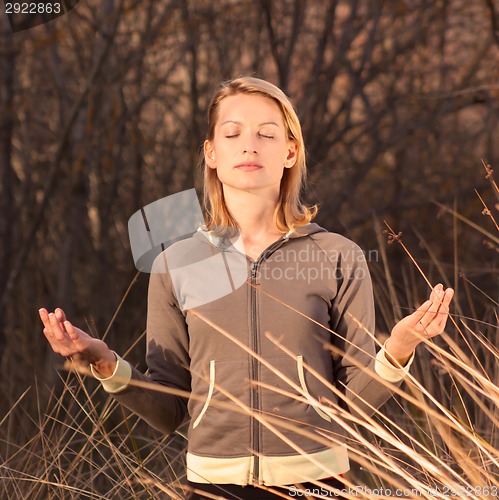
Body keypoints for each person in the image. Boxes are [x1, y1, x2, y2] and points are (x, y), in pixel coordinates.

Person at [39, 76, 454, 499]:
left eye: (267, 134)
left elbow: (354, 404)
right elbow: (167, 410)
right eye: (233, 132)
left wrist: (400, 347)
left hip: (320, 482)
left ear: (290, 152)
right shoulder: (175, 264)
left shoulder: (337, 255)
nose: (249, 145)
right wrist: (105, 363)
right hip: (213, 485)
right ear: (212, 153)